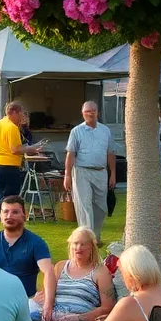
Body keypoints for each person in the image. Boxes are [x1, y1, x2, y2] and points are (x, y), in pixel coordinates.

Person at [0, 196, 56, 321]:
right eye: (5, 212)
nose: (9, 216)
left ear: (24, 215)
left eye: (15, 212)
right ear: (0, 215)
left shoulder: (36, 243)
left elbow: (48, 271)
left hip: (25, 303)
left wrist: (48, 305)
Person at [30, 227, 114, 321]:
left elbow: (107, 307)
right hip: (50, 318)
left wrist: (79, 318)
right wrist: (47, 307)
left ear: (92, 246)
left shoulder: (101, 271)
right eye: (75, 243)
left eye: (83, 244)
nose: (78, 247)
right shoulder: (60, 267)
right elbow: (46, 294)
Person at [0, 102, 46, 220]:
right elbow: (15, 149)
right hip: (9, 165)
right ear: (15, 112)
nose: (22, 117)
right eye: (21, 114)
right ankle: (9, 216)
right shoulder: (12, 127)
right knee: (11, 195)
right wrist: (32, 149)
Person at [63, 101, 118, 240]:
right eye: (87, 111)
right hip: (82, 171)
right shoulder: (76, 131)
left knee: (101, 206)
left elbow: (111, 152)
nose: (90, 113)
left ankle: (96, 236)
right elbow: (71, 153)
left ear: (98, 112)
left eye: (93, 110)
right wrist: (67, 175)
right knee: (84, 205)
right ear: (82, 113)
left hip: (101, 171)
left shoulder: (105, 131)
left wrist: (113, 174)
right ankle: (86, 238)